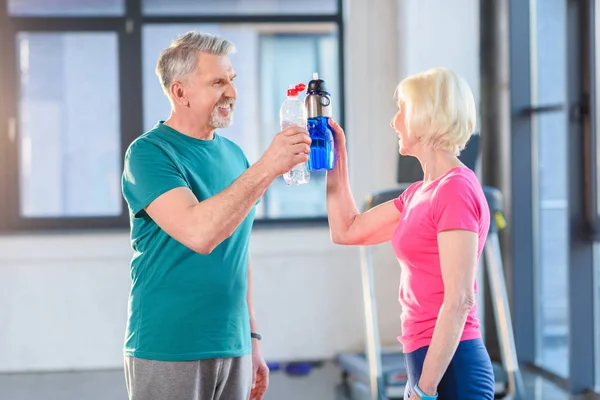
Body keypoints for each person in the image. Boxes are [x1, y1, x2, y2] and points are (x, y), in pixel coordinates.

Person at [121, 31, 311, 400]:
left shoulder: (234, 156)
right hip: (170, 344)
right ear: (180, 92)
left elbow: (238, 252)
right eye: (218, 82)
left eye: (232, 81)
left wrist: (251, 336)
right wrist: (268, 167)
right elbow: (200, 233)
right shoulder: (149, 154)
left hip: (233, 342)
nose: (232, 93)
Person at [326, 67, 495, 399]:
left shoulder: (455, 190)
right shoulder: (419, 193)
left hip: (453, 368)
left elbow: (460, 300)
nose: (394, 122)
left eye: (401, 110)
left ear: (425, 115)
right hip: (424, 361)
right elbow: (346, 230)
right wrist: (336, 157)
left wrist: (426, 388)